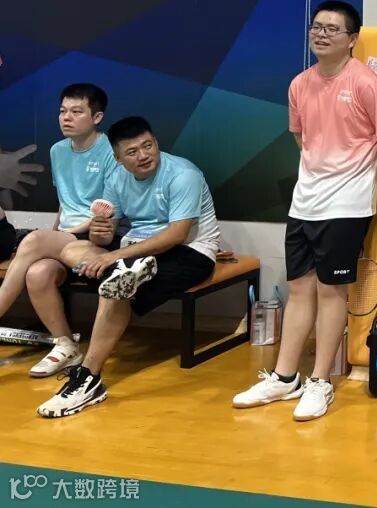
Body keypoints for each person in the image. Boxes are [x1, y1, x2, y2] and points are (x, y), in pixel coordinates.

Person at [233, 0, 377, 422]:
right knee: (299, 289)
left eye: (332, 28)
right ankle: (284, 377)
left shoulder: (365, 83)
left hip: (346, 205)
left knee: (332, 292)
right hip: (304, 202)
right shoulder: (299, 84)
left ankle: (320, 381)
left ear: (352, 39)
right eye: (317, 27)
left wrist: (361, 170)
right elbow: (302, 137)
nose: (321, 34)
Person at [36, 116, 221, 418]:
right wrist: (99, 233)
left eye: (148, 146)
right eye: (132, 152)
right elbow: (106, 233)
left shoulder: (183, 174)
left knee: (115, 288)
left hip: (189, 252)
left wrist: (111, 258)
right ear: (118, 157)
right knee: (73, 249)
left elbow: (176, 235)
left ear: (156, 142)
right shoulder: (117, 178)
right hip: (135, 248)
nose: (143, 155)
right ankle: (126, 274)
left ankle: (88, 377)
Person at [0, 84, 118, 378]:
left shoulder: (110, 151)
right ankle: (66, 345)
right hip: (65, 235)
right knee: (37, 273)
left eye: (76, 112)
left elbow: (108, 210)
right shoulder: (57, 150)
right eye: (63, 111)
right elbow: (65, 203)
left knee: (34, 240)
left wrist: (55, 237)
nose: (66, 117)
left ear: (97, 117)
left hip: (97, 235)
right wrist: (54, 235)